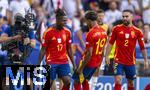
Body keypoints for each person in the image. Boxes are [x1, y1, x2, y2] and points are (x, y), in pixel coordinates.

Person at [105, 9, 149, 90]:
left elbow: (142, 47)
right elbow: (110, 43)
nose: (124, 18)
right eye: (123, 16)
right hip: (118, 60)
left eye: (127, 16)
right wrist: (107, 56)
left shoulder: (137, 31)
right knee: (118, 80)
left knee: (131, 82)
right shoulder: (116, 29)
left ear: (132, 17)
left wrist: (146, 60)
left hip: (130, 61)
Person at [38, 9, 75, 90]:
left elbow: (69, 49)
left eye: (66, 21)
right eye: (63, 21)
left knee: (68, 81)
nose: (65, 23)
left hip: (63, 62)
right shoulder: (48, 32)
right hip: (51, 62)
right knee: (49, 83)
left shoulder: (68, 31)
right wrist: (38, 64)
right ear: (57, 19)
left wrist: (74, 64)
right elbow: (43, 49)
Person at [73, 10, 107, 90]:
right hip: (96, 63)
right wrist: (99, 63)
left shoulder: (91, 33)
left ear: (89, 20)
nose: (86, 23)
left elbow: (89, 54)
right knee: (84, 81)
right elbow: (102, 51)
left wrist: (81, 68)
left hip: (89, 63)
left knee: (77, 81)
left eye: (86, 21)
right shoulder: (103, 32)